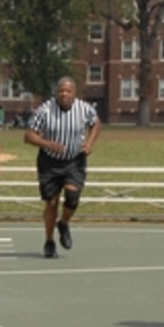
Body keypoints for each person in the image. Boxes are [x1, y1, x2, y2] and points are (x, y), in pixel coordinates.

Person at [24, 76, 100, 258]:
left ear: (74, 93)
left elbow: (96, 123)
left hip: (74, 160)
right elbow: (28, 136)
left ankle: (63, 223)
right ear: (56, 92)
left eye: (68, 91)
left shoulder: (84, 108)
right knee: (51, 202)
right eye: (60, 91)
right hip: (49, 161)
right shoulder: (45, 110)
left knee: (72, 196)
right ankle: (49, 241)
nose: (64, 94)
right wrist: (47, 143)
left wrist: (89, 143)